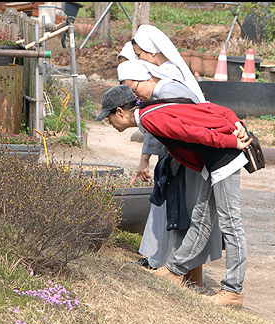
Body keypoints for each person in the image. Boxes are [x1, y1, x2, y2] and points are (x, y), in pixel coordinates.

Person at [97, 84, 251, 309]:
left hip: (223, 159)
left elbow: (193, 134)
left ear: (120, 112)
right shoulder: (153, 110)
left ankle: (232, 291)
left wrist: (232, 140)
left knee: (231, 224)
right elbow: (208, 108)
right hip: (215, 161)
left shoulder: (150, 118)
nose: (110, 123)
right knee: (201, 220)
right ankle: (174, 271)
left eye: (109, 118)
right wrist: (236, 121)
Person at [116, 59, 223, 291]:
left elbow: (184, 129)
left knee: (192, 217)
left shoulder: (170, 91)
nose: (136, 97)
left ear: (145, 78)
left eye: (134, 89)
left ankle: (196, 281)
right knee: (184, 217)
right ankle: (184, 276)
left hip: (193, 161)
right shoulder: (159, 94)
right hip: (182, 160)